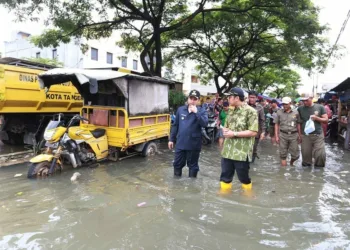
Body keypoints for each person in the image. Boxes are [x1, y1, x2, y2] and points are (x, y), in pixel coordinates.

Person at [220, 87, 258, 193]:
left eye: (229, 97)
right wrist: (225, 131)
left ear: (236, 98)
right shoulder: (231, 110)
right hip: (228, 150)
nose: (227, 99)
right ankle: (224, 196)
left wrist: (234, 134)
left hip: (241, 151)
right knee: (225, 176)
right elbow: (227, 126)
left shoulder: (251, 111)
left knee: (243, 178)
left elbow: (253, 131)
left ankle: (248, 196)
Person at [169, 90, 208, 177]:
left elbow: (205, 124)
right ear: (188, 99)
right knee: (177, 165)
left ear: (198, 100)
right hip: (181, 143)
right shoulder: (180, 110)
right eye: (191, 98)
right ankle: (176, 186)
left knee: (193, 167)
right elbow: (175, 125)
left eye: (195, 99)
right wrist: (171, 139)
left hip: (194, 144)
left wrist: (196, 112)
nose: (192, 100)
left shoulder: (202, 111)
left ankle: (192, 187)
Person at [298, 94, 328, 167]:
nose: (304, 102)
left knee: (320, 155)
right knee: (306, 158)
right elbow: (299, 123)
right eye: (303, 100)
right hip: (305, 135)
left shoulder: (320, 107)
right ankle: (307, 176)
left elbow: (326, 120)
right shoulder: (300, 109)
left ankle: (319, 175)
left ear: (311, 98)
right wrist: (299, 135)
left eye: (306, 100)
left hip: (318, 134)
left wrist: (317, 118)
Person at [275, 97, 302, 166]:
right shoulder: (279, 112)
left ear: (290, 103)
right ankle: (283, 172)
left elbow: (298, 124)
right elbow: (276, 124)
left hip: (293, 135)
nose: (284, 106)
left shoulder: (296, 112)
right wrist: (276, 136)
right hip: (283, 135)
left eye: (286, 104)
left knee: (295, 155)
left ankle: (291, 163)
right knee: (283, 154)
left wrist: (300, 135)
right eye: (283, 104)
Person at [247, 91, 265, 163]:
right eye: (250, 97)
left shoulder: (260, 108)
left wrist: (263, 132)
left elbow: (262, 120)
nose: (251, 99)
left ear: (256, 98)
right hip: (244, 131)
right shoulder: (244, 106)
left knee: (253, 149)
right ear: (248, 97)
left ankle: (251, 165)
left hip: (255, 132)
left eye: (253, 98)